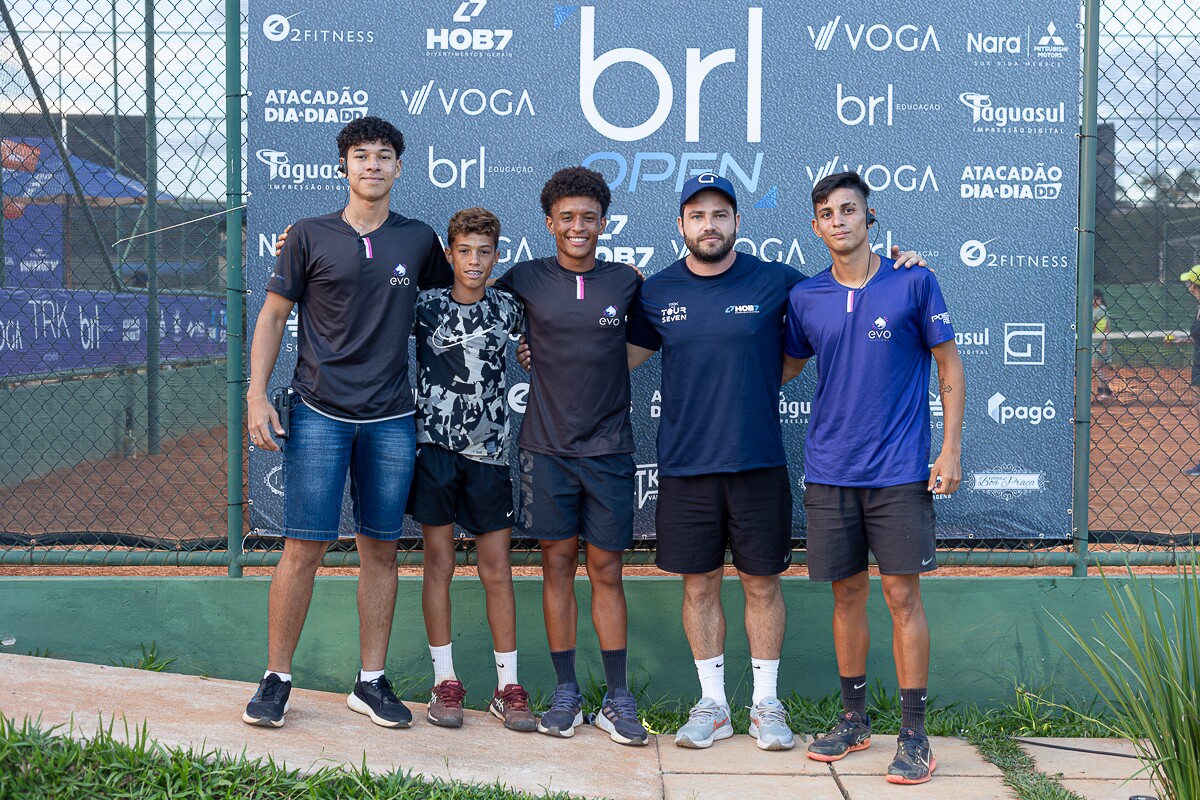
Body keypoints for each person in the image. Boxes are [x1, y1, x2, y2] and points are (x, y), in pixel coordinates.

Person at [624, 173, 925, 752]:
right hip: (686, 464)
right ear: (680, 225)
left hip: (758, 460)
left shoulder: (780, 282)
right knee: (700, 584)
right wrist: (556, 342)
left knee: (762, 583)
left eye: (719, 215)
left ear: (737, 221)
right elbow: (621, 358)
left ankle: (765, 706)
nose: (708, 225)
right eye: (696, 216)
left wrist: (899, 264)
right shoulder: (656, 291)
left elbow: (847, 287)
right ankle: (712, 704)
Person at [243, 116, 451, 729]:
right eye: (362, 155)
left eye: (385, 155)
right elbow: (274, 317)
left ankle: (371, 682)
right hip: (318, 413)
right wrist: (257, 395)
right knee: (304, 546)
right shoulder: (307, 235)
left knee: (380, 550)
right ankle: (277, 679)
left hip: (391, 417)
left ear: (399, 167)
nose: (373, 165)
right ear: (344, 166)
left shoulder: (419, 240)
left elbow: (460, 299)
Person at [784, 171, 964, 785]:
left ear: (870, 217)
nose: (838, 220)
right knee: (846, 595)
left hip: (899, 472)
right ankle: (855, 720)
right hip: (830, 470)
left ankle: (914, 734)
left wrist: (951, 450)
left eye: (849, 210)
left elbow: (950, 367)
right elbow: (780, 368)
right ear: (816, 227)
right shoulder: (806, 297)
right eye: (827, 214)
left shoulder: (913, 280)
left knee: (903, 598)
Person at [491, 166, 648, 746]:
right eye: (567, 218)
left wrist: (602, 367)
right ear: (550, 222)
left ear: (604, 222)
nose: (578, 227)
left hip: (608, 451)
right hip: (546, 450)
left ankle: (617, 697)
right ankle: (565, 692)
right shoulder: (525, 278)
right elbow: (463, 285)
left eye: (589, 217)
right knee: (556, 566)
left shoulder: (627, 282)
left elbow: (649, 337)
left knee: (607, 570)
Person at [410, 207, 535, 731]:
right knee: (438, 564)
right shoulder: (423, 305)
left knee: (497, 570)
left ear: (497, 256)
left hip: (489, 454)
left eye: (484, 252)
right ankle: (446, 682)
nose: (474, 260)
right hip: (433, 449)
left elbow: (542, 338)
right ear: (449, 255)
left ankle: (507, 687)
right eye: (464, 251)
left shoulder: (508, 309)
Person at [1181, 265, 1200, 477]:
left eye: (1189, 281)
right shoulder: (1198, 307)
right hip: (1198, 366)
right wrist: (1181, 340)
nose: (1187, 285)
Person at [1093, 289, 1115, 402]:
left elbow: (1107, 328)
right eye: (1093, 299)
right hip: (1094, 341)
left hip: (1102, 342)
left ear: (1100, 298)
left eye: (1096, 298)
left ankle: (1102, 391)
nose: (1094, 301)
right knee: (1097, 368)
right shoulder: (1092, 310)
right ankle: (1107, 391)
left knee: (1098, 367)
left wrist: (1104, 344)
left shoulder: (1102, 310)